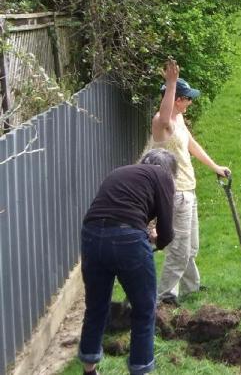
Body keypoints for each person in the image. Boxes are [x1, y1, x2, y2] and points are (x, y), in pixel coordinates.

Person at [78, 149, 177, 375]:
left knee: (96, 305)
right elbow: (167, 231)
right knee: (144, 308)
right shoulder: (162, 177)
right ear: (170, 172)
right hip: (127, 239)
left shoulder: (121, 172)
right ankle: (140, 369)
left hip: (91, 234)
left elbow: (114, 208)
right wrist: (156, 241)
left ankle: (89, 368)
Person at [148, 59, 230, 305]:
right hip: (176, 193)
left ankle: (191, 288)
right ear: (177, 100)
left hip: (189, 190)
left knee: (191, 247)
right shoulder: (162, 124)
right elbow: (165, 117)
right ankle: (164, 297)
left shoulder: (181, 121)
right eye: (187, 98)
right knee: (179, 250)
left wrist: (215, 166)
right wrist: (171, 83)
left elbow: (191, 145)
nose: (190, 102)